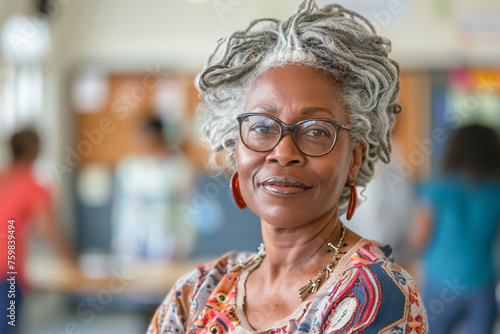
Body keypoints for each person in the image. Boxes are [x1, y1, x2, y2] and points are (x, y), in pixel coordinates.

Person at [147, 0, 428, 333]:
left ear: (353, 159)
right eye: (263, 127)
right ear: (236, 147)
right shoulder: (196, 292)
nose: (283, 152)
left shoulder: (372, 292)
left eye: (315, 132)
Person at [410, 124, 500, 334]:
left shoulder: (437, 188)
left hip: (440, 286)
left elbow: (419, 240)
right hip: (482, 284)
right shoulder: (496, 191)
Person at [0, 129, 77, 334]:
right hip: (6, 274)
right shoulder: (34, 186)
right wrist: (74, 261)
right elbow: (48, 230)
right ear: (36, 150)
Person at [111, 115, 195, 261]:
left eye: (149, 137)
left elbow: (186, 205)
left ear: (159, 136)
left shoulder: (178, 166)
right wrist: (122, 240)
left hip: (169, 242)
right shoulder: (129, 167)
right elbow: (123, 208)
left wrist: (183, 242)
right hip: (134, 242)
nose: (144, 142)